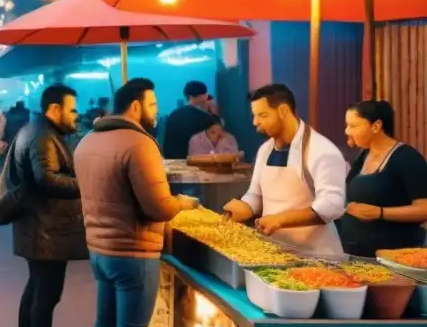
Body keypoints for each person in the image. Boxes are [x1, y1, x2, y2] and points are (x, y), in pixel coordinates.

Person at [75, 79, 198, 327]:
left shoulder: (88, 140)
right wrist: (183, 203)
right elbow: (157, 206)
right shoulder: (140, 144)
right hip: (133, 251)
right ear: (134, 106)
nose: (157, 110)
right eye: (153, 103)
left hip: (99, 250)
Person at [10, 84, 87, 327]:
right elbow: (47, 179)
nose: (75, 115)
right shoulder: (43, 136)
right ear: (54, 109)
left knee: (35, 291)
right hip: (46, 229)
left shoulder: (36, 130)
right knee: (46, 296)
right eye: (71, 109)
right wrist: (86, 183)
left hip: (37, 227)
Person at [223, 83, 347, 259]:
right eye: (254, 115)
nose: (255, 122)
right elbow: (255, 195)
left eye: (262, 115)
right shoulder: (265, 149)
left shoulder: (322, 150)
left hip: (317, 257)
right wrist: (244, 207)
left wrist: (280, 220)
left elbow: (331, 206)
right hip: (274, 254)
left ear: (283, 111)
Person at [340, 99, 427, 257]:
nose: (347, 131)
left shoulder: (407, 157)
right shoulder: (363, 156)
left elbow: (424, 208)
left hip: (394, 258)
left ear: (376, 126)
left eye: (353, 126)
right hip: (357, 256)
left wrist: (380, 212)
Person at [162, 81, 218, 159]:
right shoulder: (205, 119)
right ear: (204, 96)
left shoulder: (173, 115)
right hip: (196, 164)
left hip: (173, 163)